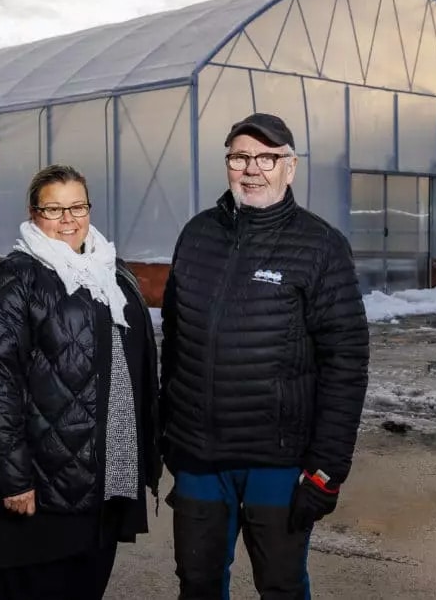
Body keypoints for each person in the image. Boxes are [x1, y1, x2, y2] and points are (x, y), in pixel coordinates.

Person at [160, 113, 370, 599]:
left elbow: (346, 363)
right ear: (227, 164)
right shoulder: (197, 235)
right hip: (200, 458)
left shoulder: (320, 245)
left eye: (267, 158)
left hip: (278, 462)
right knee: (197, 583)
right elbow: (174, 340)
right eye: (239, 157)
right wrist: (166, 432)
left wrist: (327, 468)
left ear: (289, 167)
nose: (252, 169)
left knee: (280, 585)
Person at [0, 164, 161, 600]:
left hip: (101, 482)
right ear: (33, 214)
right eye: (54, 209)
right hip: (42, 488)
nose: (68, 219)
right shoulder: (15, 280)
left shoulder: (112, 274)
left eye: (77, 206)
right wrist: (13, 479)